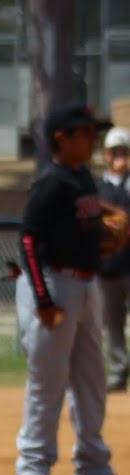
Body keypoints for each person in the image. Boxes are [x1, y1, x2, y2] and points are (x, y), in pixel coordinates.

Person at [15, 100, 130, 475]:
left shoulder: (81, 177)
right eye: (85, 133)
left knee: (91, 382)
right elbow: (28, 238)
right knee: (48, 384)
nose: (93, 139)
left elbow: (89, 215)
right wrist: (44, 301)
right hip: (54, 284)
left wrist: (109, 215)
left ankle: (94, 469)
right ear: (60, 140)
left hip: (86, 286)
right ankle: (32, 469)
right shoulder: (51, 182)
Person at [98, 124, 130, 392]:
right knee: (113, 323)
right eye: (114, 151)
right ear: (105, 154)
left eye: (124, 150)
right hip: (109, 267)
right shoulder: (98, 187)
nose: (119, 155)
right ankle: (119, 373)